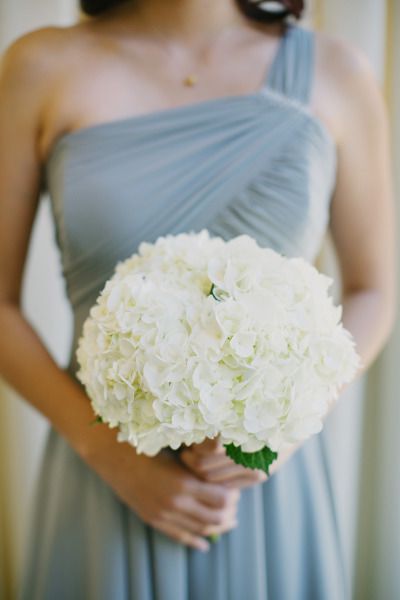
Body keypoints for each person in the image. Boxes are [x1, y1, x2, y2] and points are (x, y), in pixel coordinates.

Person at [0, 0, 396, 598]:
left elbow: (375, 290)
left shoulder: (339, 71)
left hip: (265, 481)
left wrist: (282, 432)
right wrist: (109, 452)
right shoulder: (42, 65)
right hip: (105, 473)